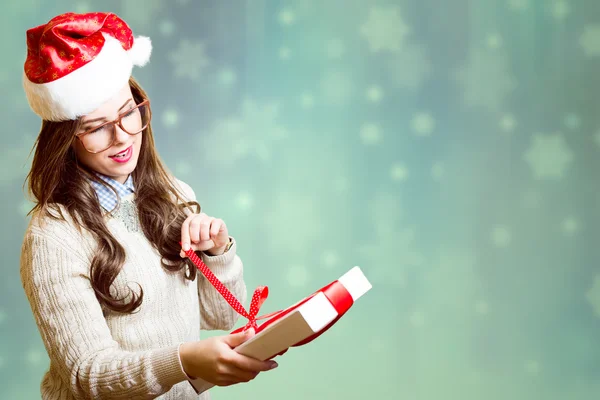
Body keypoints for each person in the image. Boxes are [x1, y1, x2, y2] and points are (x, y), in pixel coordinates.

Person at [19, 11, 277, 399]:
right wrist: (184, 362)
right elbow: (85, 375)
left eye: (128, 114)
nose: (121, 137)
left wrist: (219, 251)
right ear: (66, 138)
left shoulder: (172, 192)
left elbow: (223, 315)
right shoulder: (53, 237)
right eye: (95, 127)